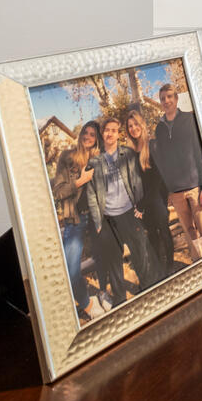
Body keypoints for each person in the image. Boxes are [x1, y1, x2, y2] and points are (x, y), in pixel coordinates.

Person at [82, 114, 152, 305]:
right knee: (114, 262)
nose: (110, 134)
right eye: (107, 130)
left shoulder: (127, 154)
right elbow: (92, 195)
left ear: (118, 134)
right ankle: (120, 299)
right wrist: (98, 221)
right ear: (102, 133)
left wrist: (139, 207)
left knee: (140, 253)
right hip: (108, 218)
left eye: (114, 130)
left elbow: (136, 182)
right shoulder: (95, 162)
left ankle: (148, 289)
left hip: (129, 213)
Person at [151, 83, 202, 260]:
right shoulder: (159, 129)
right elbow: (163, 162)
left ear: (176, 98)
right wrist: (167, 191)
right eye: (163, 98)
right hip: (175, 192)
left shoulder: (189, 119)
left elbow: (199, 152)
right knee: (190, 233)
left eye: (169, 97)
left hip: (195, 187)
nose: (166, 101)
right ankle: (198, 263)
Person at [50, 120, 104, 320]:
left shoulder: (98, 158)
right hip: (76, 218)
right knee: (71, 269)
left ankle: (102, 294)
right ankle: (87, 305)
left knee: (105, 257)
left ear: (96, 139)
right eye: (85, 133)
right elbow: (59, 191)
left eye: (92, 134)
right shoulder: (67, 157)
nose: (88, 137)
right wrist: (81, 180)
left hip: (97, 216)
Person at [125, 107, 177, 282]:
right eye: (130, 126)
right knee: (152, 235)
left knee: (164, 231)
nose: (133, 128)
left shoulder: (152, 145)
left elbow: (158, 178)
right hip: (141, 201)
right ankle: (160, 270)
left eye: (136, 124)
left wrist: (142, 204)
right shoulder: (130, 152)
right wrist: (137, 203)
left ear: (141, 125)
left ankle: (170, 266)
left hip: (155, 199)